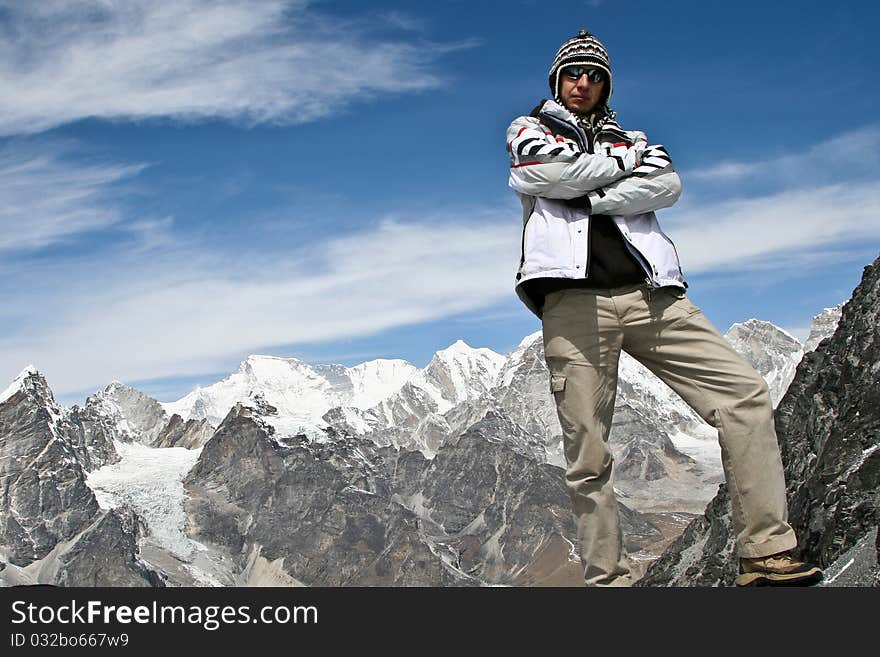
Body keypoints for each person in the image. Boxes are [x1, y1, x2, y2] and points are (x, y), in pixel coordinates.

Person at [506, 29, 823, 587]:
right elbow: (542, 174)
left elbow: (667, 185)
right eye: (573, 74)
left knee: (743, 395)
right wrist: (619, 169)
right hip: (572, 303)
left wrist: (584, 188)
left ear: (606, 85)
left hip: (653, 296)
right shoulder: (528, 130)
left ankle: (765, 551)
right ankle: (610, 583)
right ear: (558, 81)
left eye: (595, 75)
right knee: (588, 453)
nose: (584, 83)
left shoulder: (636, 135)